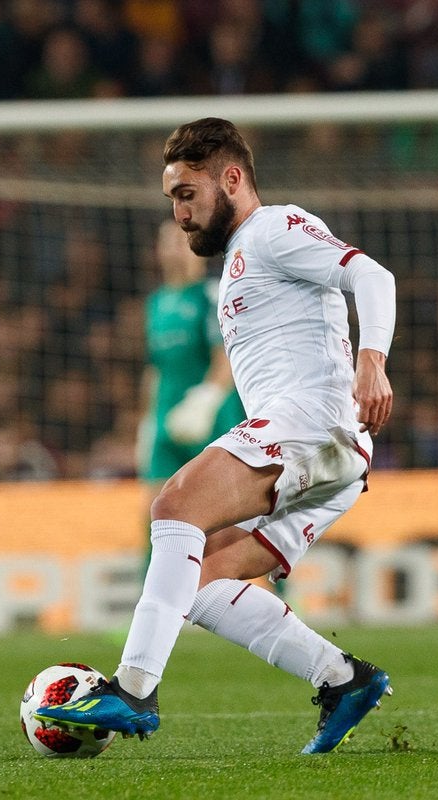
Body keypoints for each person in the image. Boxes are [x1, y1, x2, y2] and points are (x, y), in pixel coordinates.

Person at [36, 117, 397, 754]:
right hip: (328, 453)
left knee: (175, 508)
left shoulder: (273, 229)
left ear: (232, 179)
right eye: (172, 198)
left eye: (187, 194)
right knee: (199, 582)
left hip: (312, 425)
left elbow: (372, 277)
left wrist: (373, 360)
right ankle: (341, 679)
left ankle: (135, 689)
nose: (179, 213)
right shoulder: (238, 262)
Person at [137, 218, 246, 532]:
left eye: (183, 242)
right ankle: (154, 583)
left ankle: (267, 580)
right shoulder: (156, 303)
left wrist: (203, 403)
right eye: (168, 242)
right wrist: (146, 425)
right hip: (165, 423)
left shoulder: (212, 295)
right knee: (155, 511)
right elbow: (155, 368)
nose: (176, 250)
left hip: (210, 422)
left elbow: (225, 359)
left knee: (224, 519)